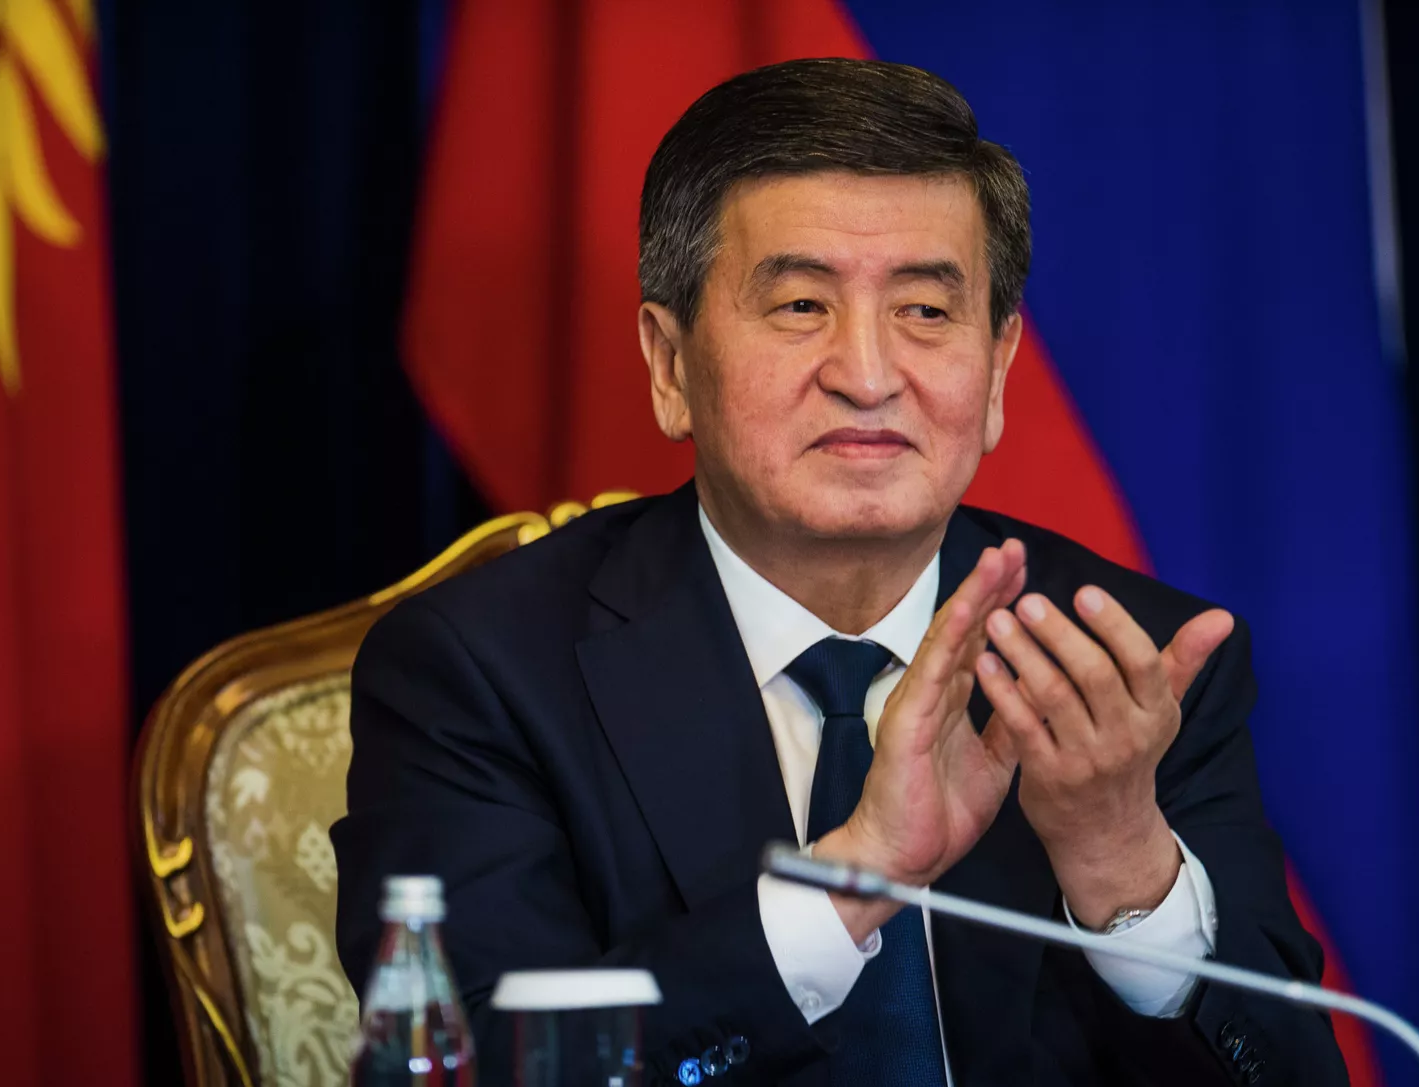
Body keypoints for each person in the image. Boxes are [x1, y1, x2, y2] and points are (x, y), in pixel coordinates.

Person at [334, 58, 1347, 1086]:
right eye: (801, 305)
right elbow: (465, 1067)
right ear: (670, 365)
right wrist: (850, 883)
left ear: (998, 369)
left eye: (926, 312)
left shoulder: (1128, 672)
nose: (867, 376)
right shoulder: (484, 671)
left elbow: (1295, 1072)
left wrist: (1124, 867)